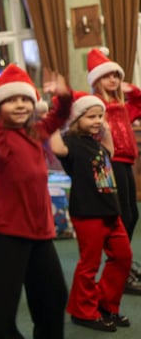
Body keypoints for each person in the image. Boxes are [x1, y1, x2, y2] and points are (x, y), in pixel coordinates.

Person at [0, 64, 70, 339]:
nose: (19, 105)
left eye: (24, 99)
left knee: (53, 297)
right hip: (6, 232)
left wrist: (64, 96)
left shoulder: (36, 132)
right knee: (4, 313)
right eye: (11, 100)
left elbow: (61, 115)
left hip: (40, 231)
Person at [48, 92, 132, 332]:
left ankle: (106, 305)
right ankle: (83, 311)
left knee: (123, 256)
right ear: (76, 119)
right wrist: (54, 120)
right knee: (90, 263)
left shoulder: (96, 141)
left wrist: (104, 130)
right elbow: (56, 147)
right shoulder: (71, 142)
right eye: (91, 116)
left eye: (100, 116)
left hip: (109, 210)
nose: (97, 120)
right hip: (88, 212)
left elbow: (111, 153)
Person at [87, 47, 141, 295]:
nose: (113, 80)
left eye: (116, 76)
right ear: (96, 80)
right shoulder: (97, 106)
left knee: (132, 215)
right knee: (120, 217)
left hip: (125, 163)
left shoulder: (122, 106)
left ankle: (123, 262)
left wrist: (132, 90)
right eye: (107, 76)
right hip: (109, 163)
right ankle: (120, 265)